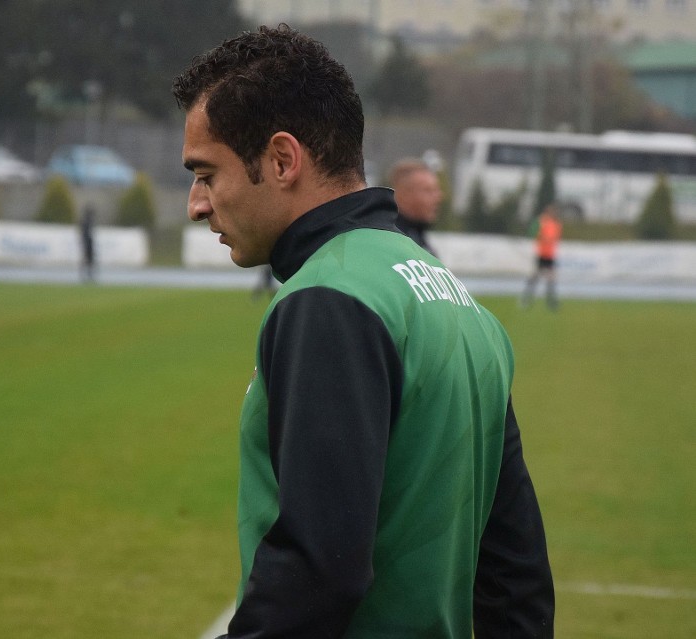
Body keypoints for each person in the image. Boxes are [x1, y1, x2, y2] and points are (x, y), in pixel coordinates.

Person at [173, 24, 554, 638]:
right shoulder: (451, 293)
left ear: (281, 160)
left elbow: (319, 572)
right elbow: (516, 573)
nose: (195, 203)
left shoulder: (329, 299)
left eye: (206, 174)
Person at [390, 158, 442, 256]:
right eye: (428, 191)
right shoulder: (391, 241)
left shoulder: (420, 241)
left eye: (437, 191)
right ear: (403, 194)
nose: (438, 197)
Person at [521, 204, 563, 311]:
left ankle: (551, 302)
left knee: (551, 280)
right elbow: (532, 232)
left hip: (550, 256)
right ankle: (526, 298)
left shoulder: (556, 225)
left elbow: (554, 238)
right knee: (534, 278)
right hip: (541, 255)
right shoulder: (541, 222)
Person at [79, 204, 97, 282]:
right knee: (87, 259)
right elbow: (84, 234)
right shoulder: (85, 222)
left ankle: (89, 275)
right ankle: (85, 275)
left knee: (90, 260)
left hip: (89, 242)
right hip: (87, 243)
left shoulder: (89, 222)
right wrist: (85, 242)